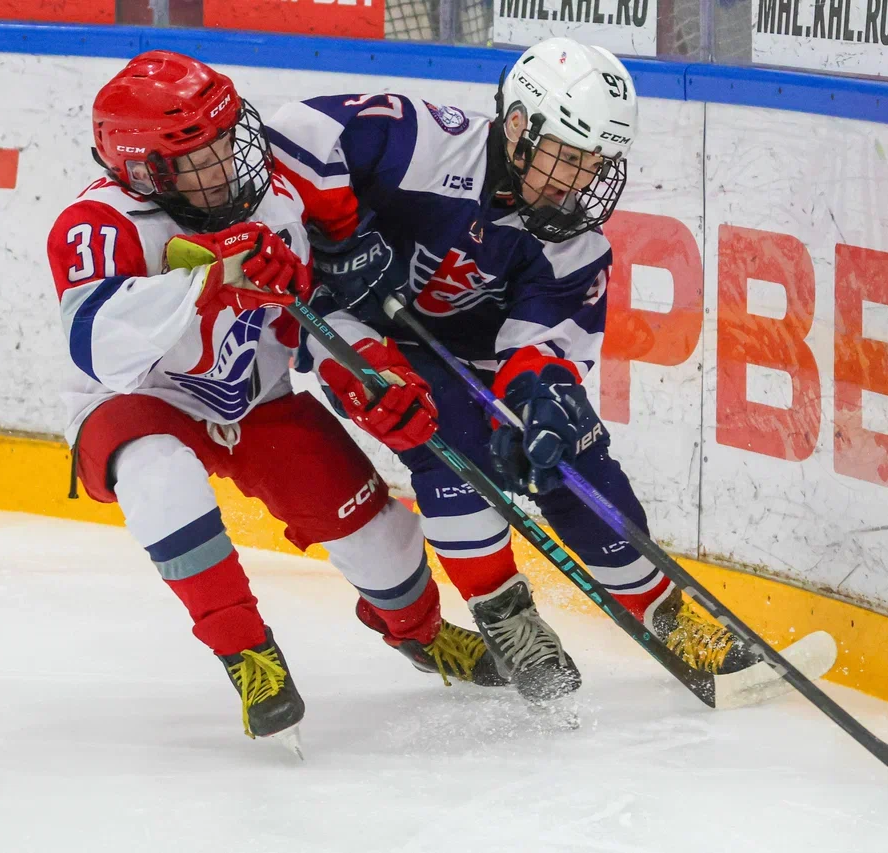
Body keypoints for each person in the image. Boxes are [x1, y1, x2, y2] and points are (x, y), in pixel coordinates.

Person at [266, 37, 769, 705]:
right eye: (568, 154)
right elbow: (290, 136)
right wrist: (339, 233)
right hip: (361, 326)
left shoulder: (575, 240)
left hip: (476, 349)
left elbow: (542, 346)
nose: (580, 179)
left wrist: (540, 408)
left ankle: (665, 614)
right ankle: (505, 614)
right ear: (516, 127)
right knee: (440, 430)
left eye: (596, 163)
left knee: (573, 453)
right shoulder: (425, 144)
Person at [47, 50, 507, 751]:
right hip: (142, 404)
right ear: (146, 170)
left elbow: (306, 322)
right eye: (202, 156)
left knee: (385, 543)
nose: (229, 163)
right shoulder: (98, 224)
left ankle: (421, 633)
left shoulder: (276, 206)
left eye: (230, 138)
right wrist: (211, 278)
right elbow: (98, 344)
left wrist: (367, 370)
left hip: (257, 403)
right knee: (157, 471)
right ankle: (247, 654)